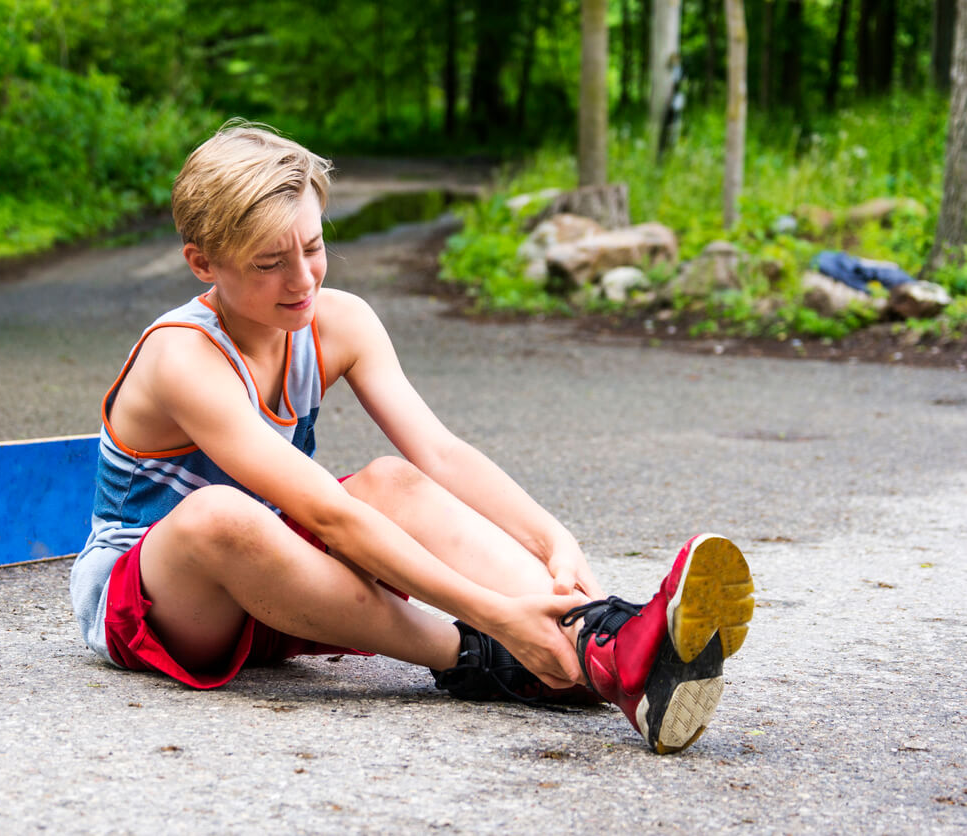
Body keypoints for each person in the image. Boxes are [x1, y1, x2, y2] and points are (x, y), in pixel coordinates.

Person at [70, 122, 754, 754]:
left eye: (312, 247)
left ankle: (608, 645)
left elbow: (441, 453)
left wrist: (553, 541)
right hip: (160, 602)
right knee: (221, 516)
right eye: (268, 263)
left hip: (285, 585)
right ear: (203, 263)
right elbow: (326, 515)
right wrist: (494, 616)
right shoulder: (181, 357)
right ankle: (484, 654)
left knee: (391, 479)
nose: (303, 278)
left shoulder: (339, 323)